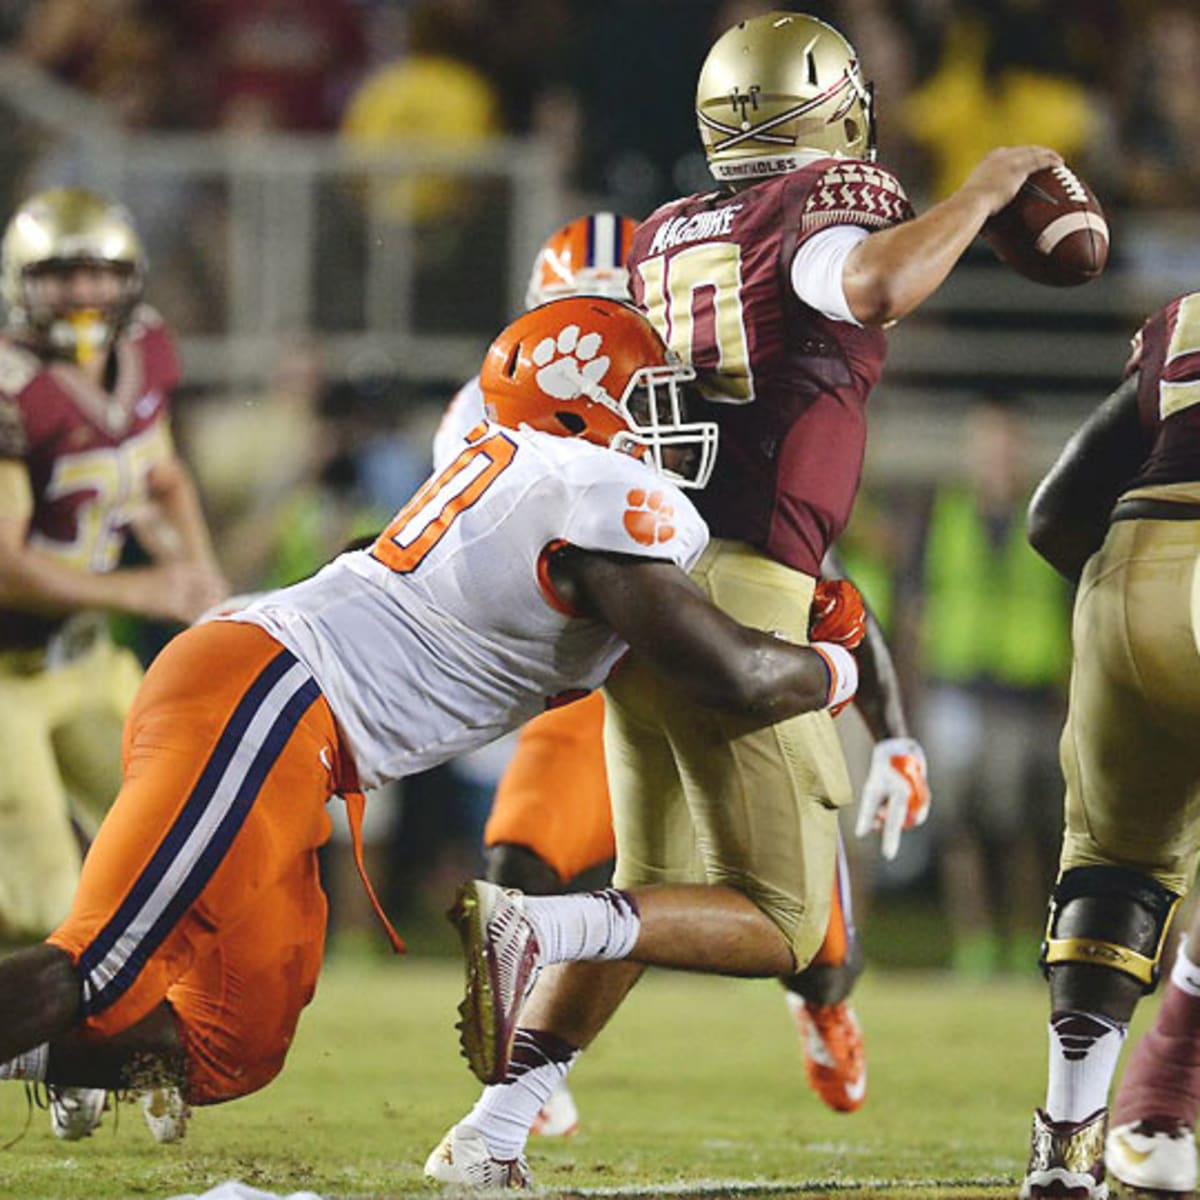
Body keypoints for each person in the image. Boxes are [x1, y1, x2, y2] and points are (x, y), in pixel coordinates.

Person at [425, 10, 1061, 1189]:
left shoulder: (667, 228)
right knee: (776, 914)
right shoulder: (825, 206)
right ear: (830, 107)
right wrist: (977, 195)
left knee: (644, 899)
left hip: (647, 584)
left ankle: (490, 1133)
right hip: (750, 583)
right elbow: (868, 287)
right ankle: (535, 926)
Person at [0, 297, 860, 1148]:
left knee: (235, 1045)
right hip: (265, 698)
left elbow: (365, 560)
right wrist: (834, 663)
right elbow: (732, 674)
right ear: (577, 406)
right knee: (102, 966)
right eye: (648, 403)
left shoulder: (507, 467)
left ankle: (42, 1057)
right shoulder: (593, 490)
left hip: (278, 707)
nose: (668, 426)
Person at [434, 211, 930, 1128]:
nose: (598, 352)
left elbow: (819, 584)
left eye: (618, 315)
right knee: (523, 858)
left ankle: (821, 1004)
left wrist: (891, 733)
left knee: (814, 951)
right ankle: (524, 1087)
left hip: (701, 645)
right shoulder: (486, 419)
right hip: (588, 674)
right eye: (578, 322)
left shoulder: (690, 405)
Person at [0, 187, 228, 1141]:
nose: (85, 290)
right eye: (61, 272)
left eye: (99, 269)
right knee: (52, 905)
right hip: (7, 673)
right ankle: (78, 1055)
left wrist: (208, 586)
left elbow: (161, 474)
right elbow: (7, 561)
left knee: (178, 849)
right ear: (23, 284)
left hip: (88, 661)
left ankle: (132, 1038)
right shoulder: (13, 388)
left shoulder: (144, 356)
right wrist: (148, 592)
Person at [1016, 286, 1200, 1197]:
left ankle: (1069, 1144)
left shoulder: (1187, 316)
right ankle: (1164, 1097)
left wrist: (1127, 623)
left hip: (1139, 567)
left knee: (1115, 864)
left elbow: (1053, 516)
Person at [902, 395, 1072, 977]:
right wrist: (912, 696)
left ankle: (1025, 939)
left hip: (1029, 695)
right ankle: (975, 943)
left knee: (1024, 828)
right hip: (957, 690)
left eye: (1006, 445)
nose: (997, 457)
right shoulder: (942, 514)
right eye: (988, 445)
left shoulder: (1049, 516)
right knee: (959, 828)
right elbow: (917, 612)